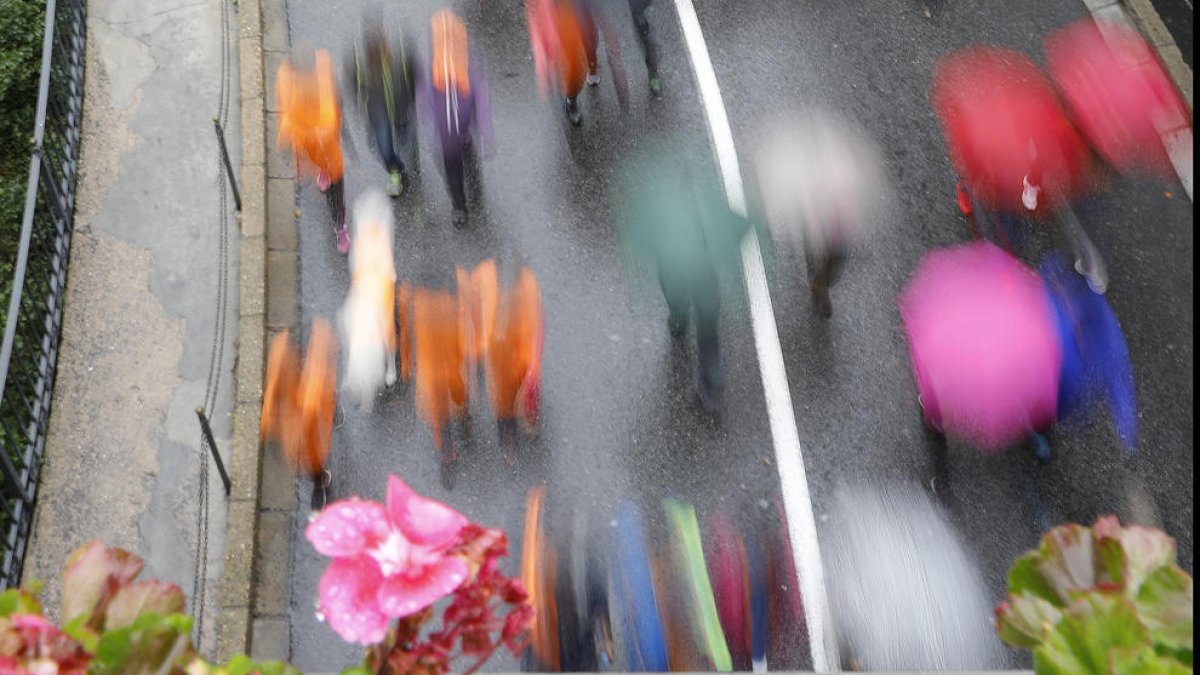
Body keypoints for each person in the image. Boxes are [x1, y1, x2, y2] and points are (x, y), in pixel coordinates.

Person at [423, 9, 494, 227]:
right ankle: (459, 205)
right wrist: (430, 128)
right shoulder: (433, 70)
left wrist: (485, 131)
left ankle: (467, 196)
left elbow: (480, 99)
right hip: (447, 137)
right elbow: (424, 100)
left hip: (461, 131)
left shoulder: (469, 66)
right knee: (453, 168)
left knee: (465, 161)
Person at [276, 50, 351, 253]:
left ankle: (340, 227)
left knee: (335, 195)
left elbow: (330, 119)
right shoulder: (291, 87)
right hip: (311, 149)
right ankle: (322, 171)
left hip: (329, 153)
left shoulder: (324, 86)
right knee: (320, 164)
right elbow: (286, 123)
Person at [349, 24, 419, 197]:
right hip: (378, 112)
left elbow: (413, 76)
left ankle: (405, 164)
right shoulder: (362, 67)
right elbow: (355, 84)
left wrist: (411, 102)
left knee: (406, 145)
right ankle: (396, 171)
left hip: (401, 109)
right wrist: (361, 104)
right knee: (381, 149)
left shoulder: (401, 57)